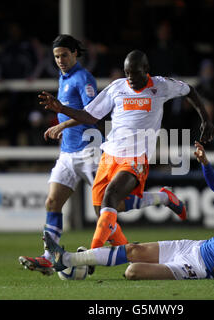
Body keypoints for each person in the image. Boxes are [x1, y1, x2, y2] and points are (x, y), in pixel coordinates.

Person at [19, 39, 187, 276]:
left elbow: (92, 115)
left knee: (111, 205)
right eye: (56, 57)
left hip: (89, 150)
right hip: (67, 152)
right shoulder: (63, 78)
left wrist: (63, 121)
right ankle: (49, 257)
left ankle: (158, 202)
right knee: (53, 202)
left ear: (75, 53)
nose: (60, 61)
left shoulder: (83, 79)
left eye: (64, 55)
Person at [39, 50, 214, 252]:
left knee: (110, 197)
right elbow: (90, 116)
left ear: (146, 70)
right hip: (110, 154)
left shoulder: (161, 85)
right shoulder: (117, 88)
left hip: (136, 157)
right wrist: (62, 109)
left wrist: (206, 119)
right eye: (127, 72)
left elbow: (189, 90)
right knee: (103, 211)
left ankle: (90, 254)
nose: (130, 78)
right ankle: (131, 249)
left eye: (135, 73)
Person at [43, 141, 214, 280]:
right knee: (133, 248)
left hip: (199, 268)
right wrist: (205, 163)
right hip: (194, 246)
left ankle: (84, 260)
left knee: (132, 271)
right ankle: (66, 259)